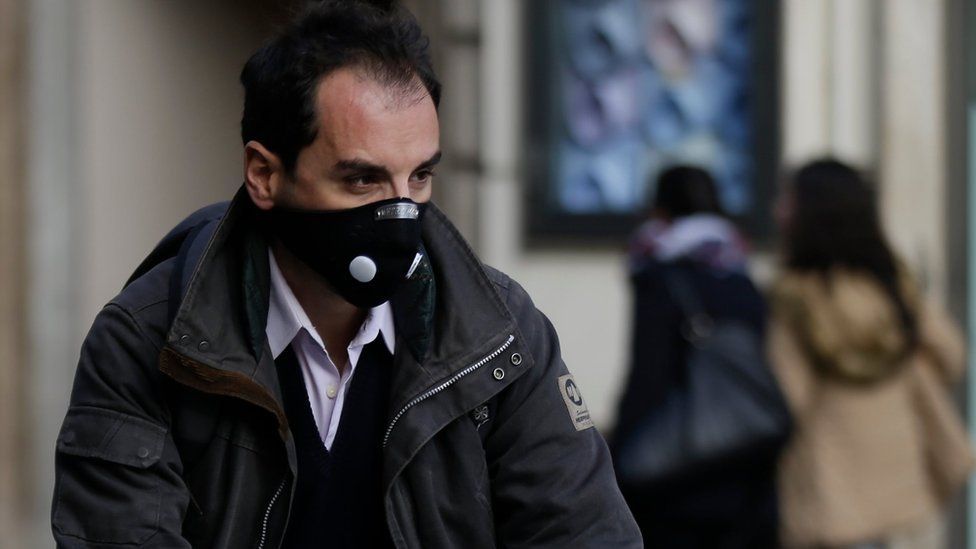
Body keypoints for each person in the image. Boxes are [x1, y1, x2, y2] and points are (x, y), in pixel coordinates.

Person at [50, 2, 642, 547]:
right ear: (264, 174)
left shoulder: (499, 337)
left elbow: (584, 532)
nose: (400, 211)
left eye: (419, 178)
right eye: (362, 180)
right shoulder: (147, 342)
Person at [769, 159, 974, 548]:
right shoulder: (892, 285)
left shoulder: (796, 297)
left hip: (827, 480)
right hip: (894, 471)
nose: (777, 210)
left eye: (786, 200)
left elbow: (787, 398)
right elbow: (950, 354)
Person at [611, 166, 780, 548]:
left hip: (676, 474)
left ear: (660, 211)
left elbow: (646, 380)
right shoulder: (742, 276)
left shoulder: (660, 279)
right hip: (744, 464)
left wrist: (621, 459)